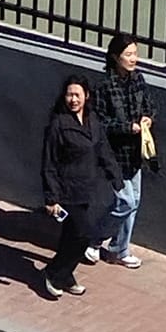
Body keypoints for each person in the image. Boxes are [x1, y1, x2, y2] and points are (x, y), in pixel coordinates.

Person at [40, 74, 123, 298]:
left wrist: (115, 176)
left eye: (77, 95)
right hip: (66, 191)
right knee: (84, 234)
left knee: (70, 235)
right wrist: (51, 197)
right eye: (69, 95)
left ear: (86, 96)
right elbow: (49, 162)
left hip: (86, 189)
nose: (73, 100)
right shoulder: (58, 124)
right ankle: (54, 272)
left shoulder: (92, 120)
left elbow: (103, 149)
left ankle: (65, 275)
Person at [86, 32, 156, 269]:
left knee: (133, 202)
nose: (134, 58)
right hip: (115, 155)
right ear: (116, 57)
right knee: (125, 202)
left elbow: (149, 105)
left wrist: (147, 117)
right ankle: (94, 238)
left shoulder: (138, 79)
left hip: (135, 153)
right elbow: (100, 122)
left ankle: (119, 249)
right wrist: (127, 127)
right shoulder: (104, 86)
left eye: (135, 54)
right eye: (128, 54)